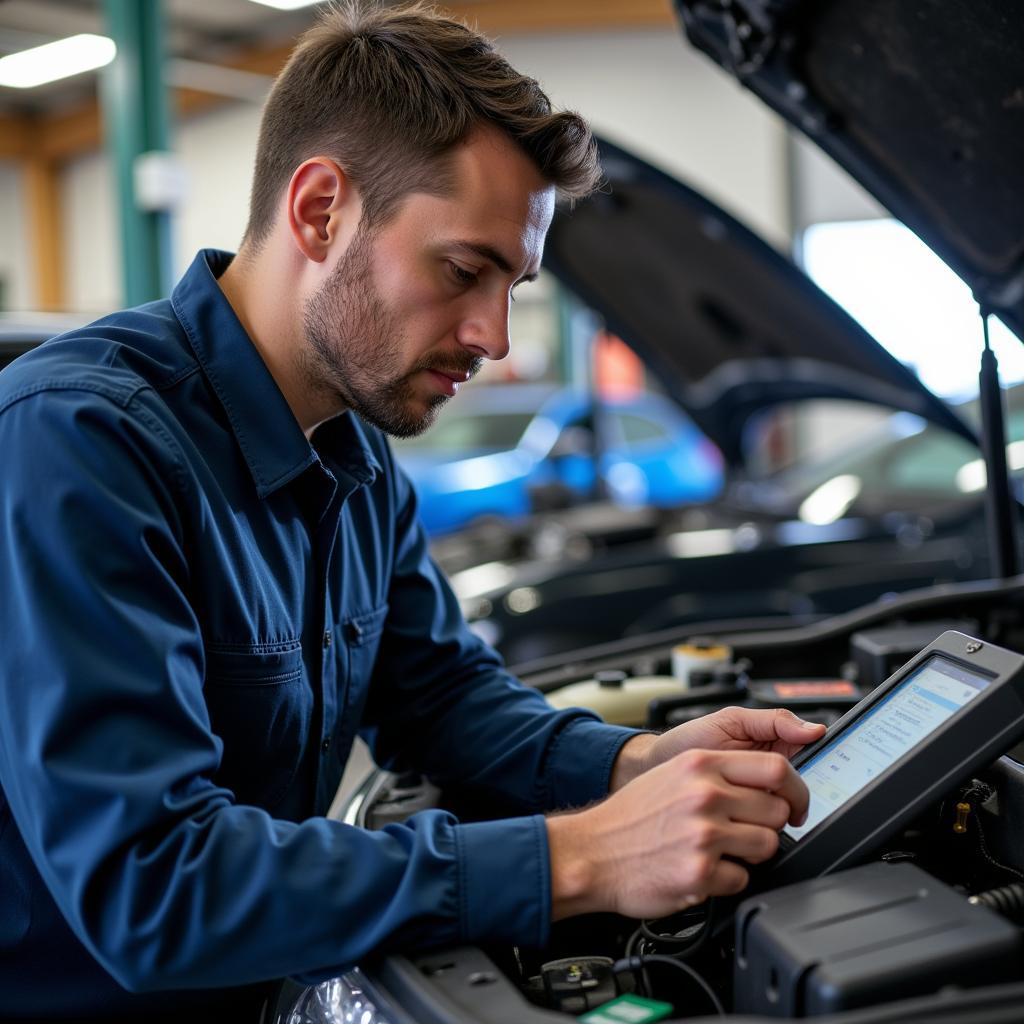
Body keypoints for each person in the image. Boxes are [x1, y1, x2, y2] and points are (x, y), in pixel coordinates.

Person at [0, 3, 824, 1019]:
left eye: (512, 284)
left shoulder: (355, 456)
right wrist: (579, 855)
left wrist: (632, 762)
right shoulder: (80, 443)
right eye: (463, 270)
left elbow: (439, 700)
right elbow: (155, 885)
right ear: (319, 213)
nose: (492, 334)